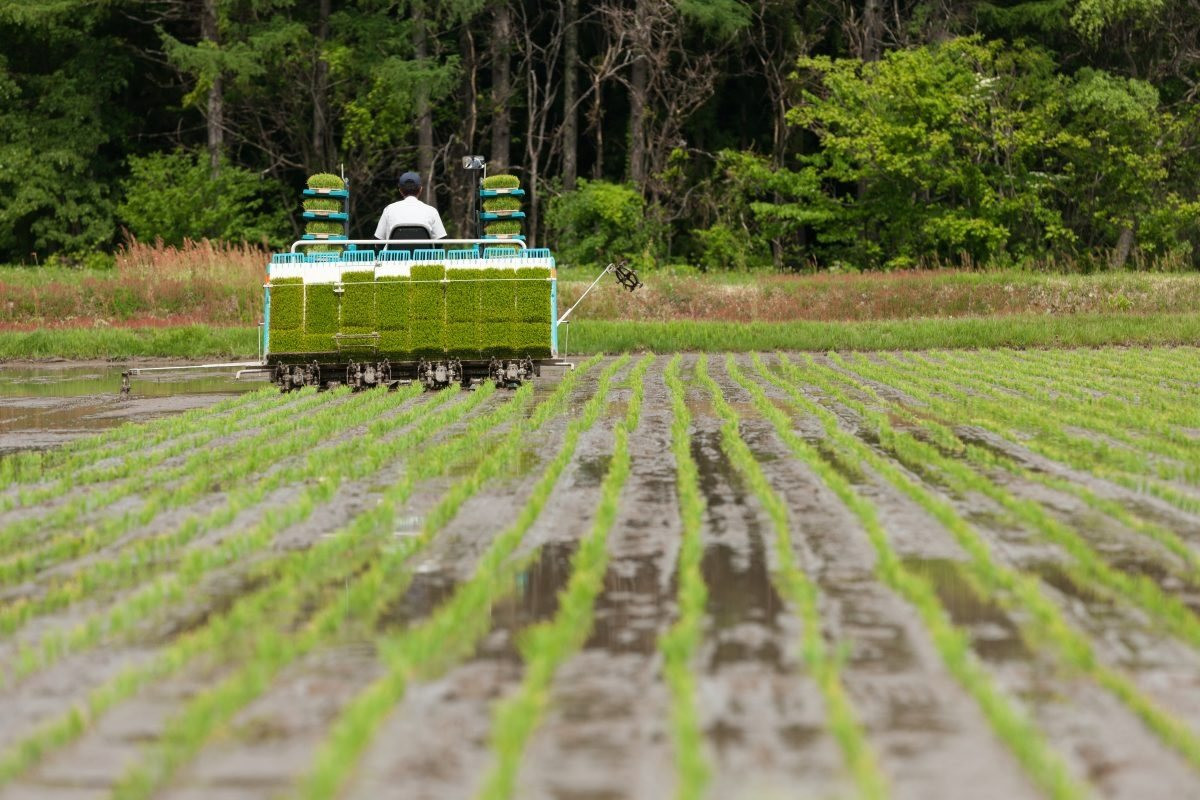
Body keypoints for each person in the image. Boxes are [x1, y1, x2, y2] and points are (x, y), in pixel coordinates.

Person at [374, 171, 447, 242]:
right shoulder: (432, 211)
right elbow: (441, 240)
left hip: (394, 254)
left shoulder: (388, 210)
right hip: (422, 254)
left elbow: (378, 242)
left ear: (400, 191)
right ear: (420, 190)